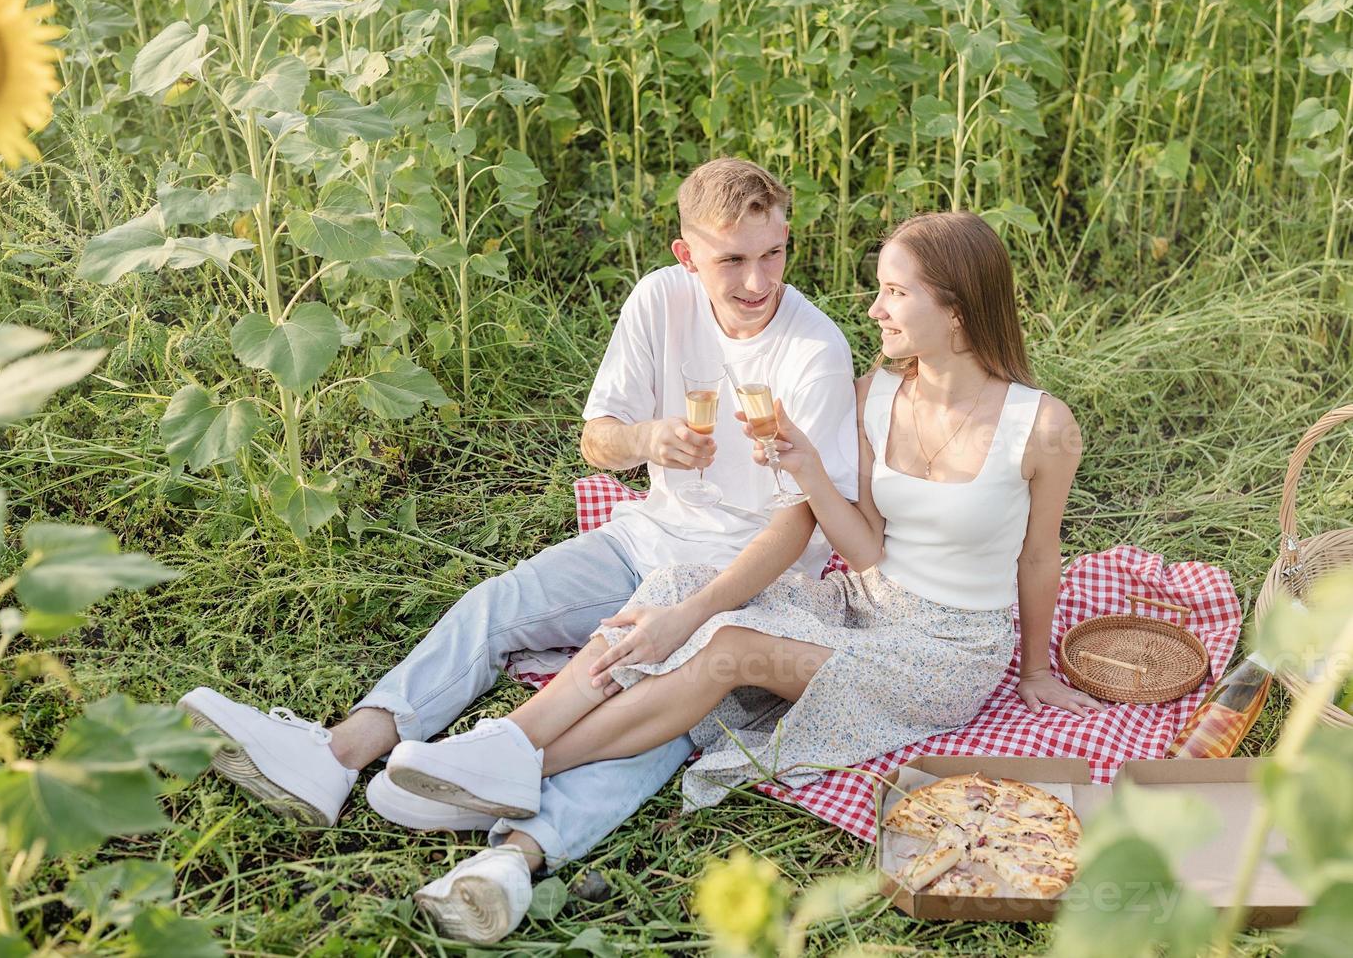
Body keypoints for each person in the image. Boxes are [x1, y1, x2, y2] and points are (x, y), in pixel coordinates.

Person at [176, 158, 860, 944]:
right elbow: (598, 440)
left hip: (745, 581)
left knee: (648, 707)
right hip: (644, 537)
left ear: (786, 238)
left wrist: (688, 617)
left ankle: (511, 860)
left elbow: (800, 524)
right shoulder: (658, 300)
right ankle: (337, 753)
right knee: (498, 602)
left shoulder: (813, 349)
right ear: (685, 255)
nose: (754, 281)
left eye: (771, 254)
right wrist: (647, 439)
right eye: (730, 260)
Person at [383, 211, 1101, 913]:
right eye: (879, 288)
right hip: (860, 605)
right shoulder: (876, 394)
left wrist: (1033, 673)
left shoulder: (1040, 426)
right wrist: (808, 468)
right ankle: (511, 782)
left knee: (725, 649)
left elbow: (1039, 556)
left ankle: (515, 766)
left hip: (943, 655)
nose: (873, 307)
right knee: (679, 593)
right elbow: (867, 552)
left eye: (895, 292)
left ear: (957, 309)